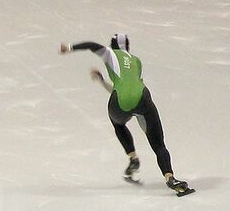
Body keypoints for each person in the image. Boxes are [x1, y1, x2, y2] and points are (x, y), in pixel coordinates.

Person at [59, 34, 194, 197]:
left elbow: (92, 45)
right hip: (143, 99)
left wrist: (69, 47)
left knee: (118, 124)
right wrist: (103, 80)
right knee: (158, 144)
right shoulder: (136, 61)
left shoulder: (110, 53)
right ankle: (170, 177)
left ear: (113, 45)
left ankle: (133, 157)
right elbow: (130, 89)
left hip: (119, 104)